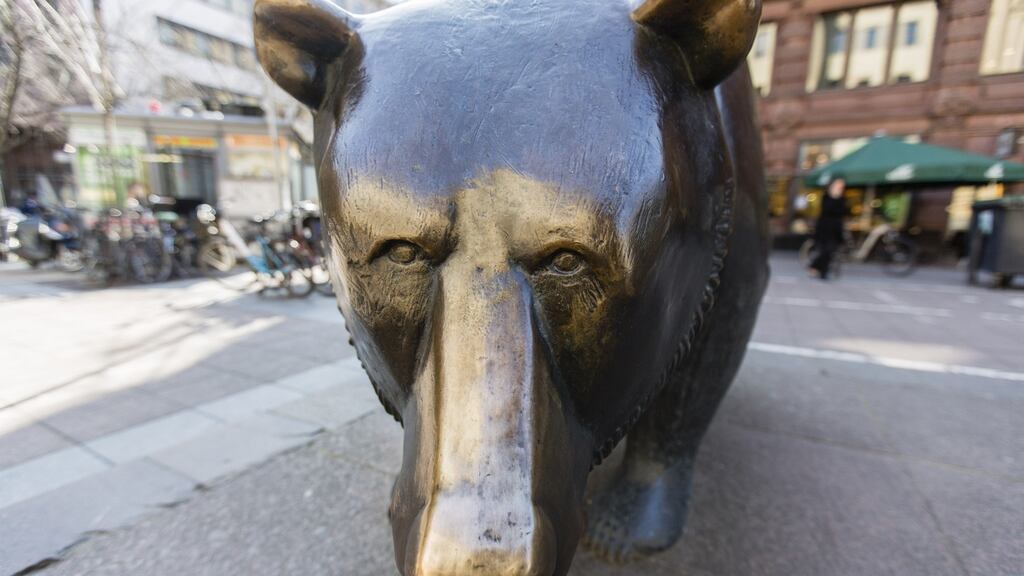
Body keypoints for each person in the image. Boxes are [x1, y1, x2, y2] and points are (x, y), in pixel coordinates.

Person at [809, 175, 848, 280]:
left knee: (831, 251)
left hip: (836, 229)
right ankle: (820, 270)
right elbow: (827, 210)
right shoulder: (826, 196)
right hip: (825, 228)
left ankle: (818, 268)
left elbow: (844, 211)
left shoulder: (843, 198)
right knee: (826, 250)